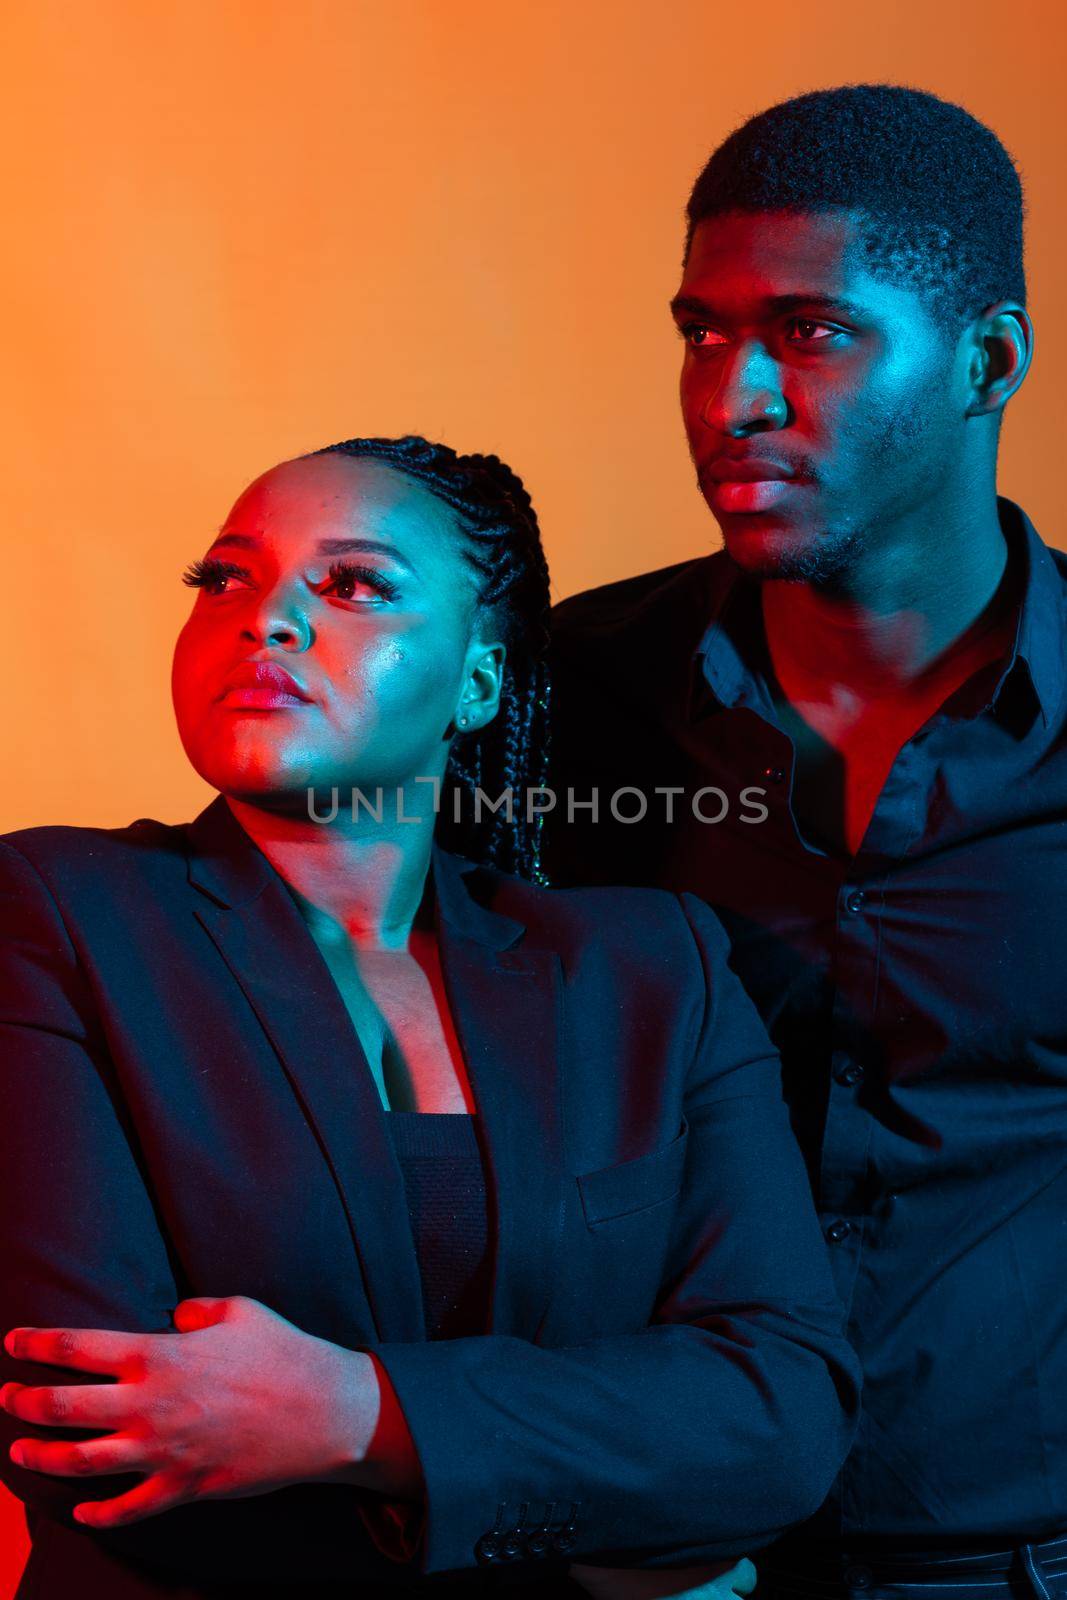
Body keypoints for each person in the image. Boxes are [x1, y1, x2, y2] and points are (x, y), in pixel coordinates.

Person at [0, 436, 859, 1599]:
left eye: (352, 584)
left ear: (477, 681)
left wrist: (353, 1415)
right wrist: (629, 1540)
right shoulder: (51, 916)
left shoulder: (651, 967)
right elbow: (87, 1431)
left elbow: (783, 1412)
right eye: (226, 578)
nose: (266, 621)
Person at [547, 82, 1067, 1600]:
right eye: (699, 333)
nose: (731, 399)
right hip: (645, 1548)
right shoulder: (566, 693)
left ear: (983, 362)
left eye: (809, 332)